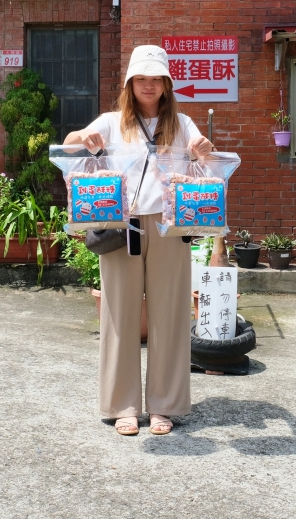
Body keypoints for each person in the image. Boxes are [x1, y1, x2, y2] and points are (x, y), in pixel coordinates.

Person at [64, 45, 214, 436]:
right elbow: (68, 146)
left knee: (170, 314)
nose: (148, 85)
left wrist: (205, 152)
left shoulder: (183, 125)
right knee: (119, 314)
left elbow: (210, 167)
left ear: (166, 85)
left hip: (169, 226)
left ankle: (165, 405)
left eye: (155, 79)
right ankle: (122, 405)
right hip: (121, 225)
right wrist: (83, 136)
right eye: (141, 79)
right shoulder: (113, 122)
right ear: (130, 85)